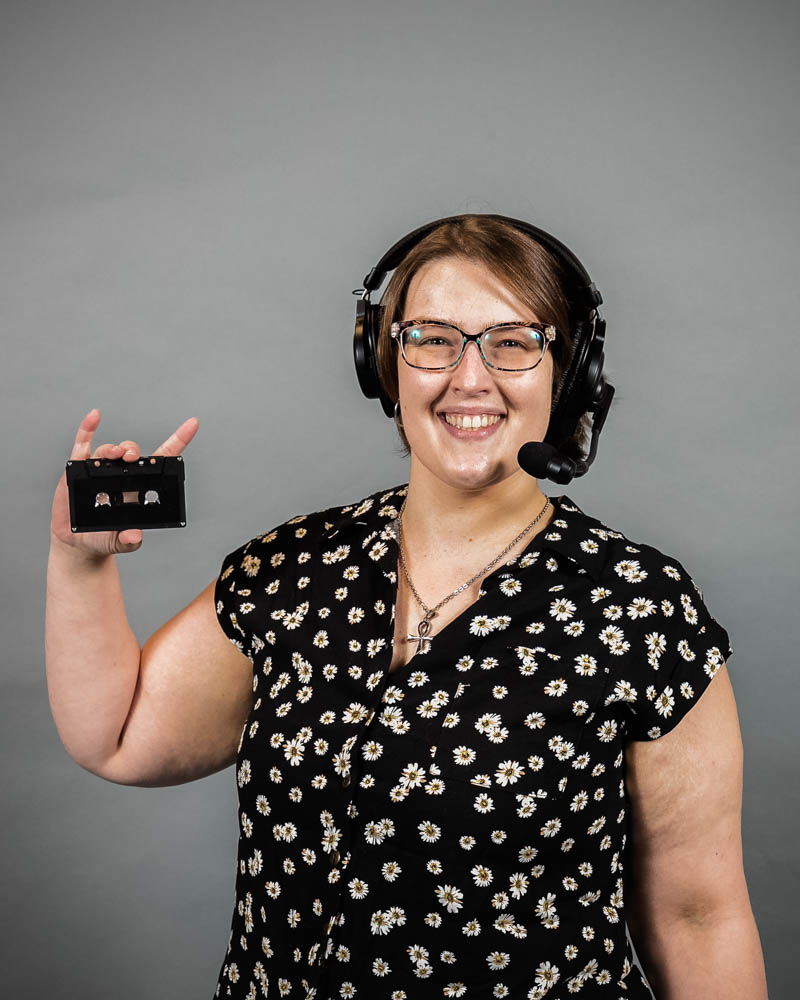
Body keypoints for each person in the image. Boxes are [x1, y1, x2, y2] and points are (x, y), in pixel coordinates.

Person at [46, 214, 768, 1000]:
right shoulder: (289, 570)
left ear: (568, 373)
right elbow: (117, 739)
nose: (470, 377)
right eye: (432, 339)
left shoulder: (640, 610)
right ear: (383, 362)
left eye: (513, 341)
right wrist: (80, 562)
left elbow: (700, 917)